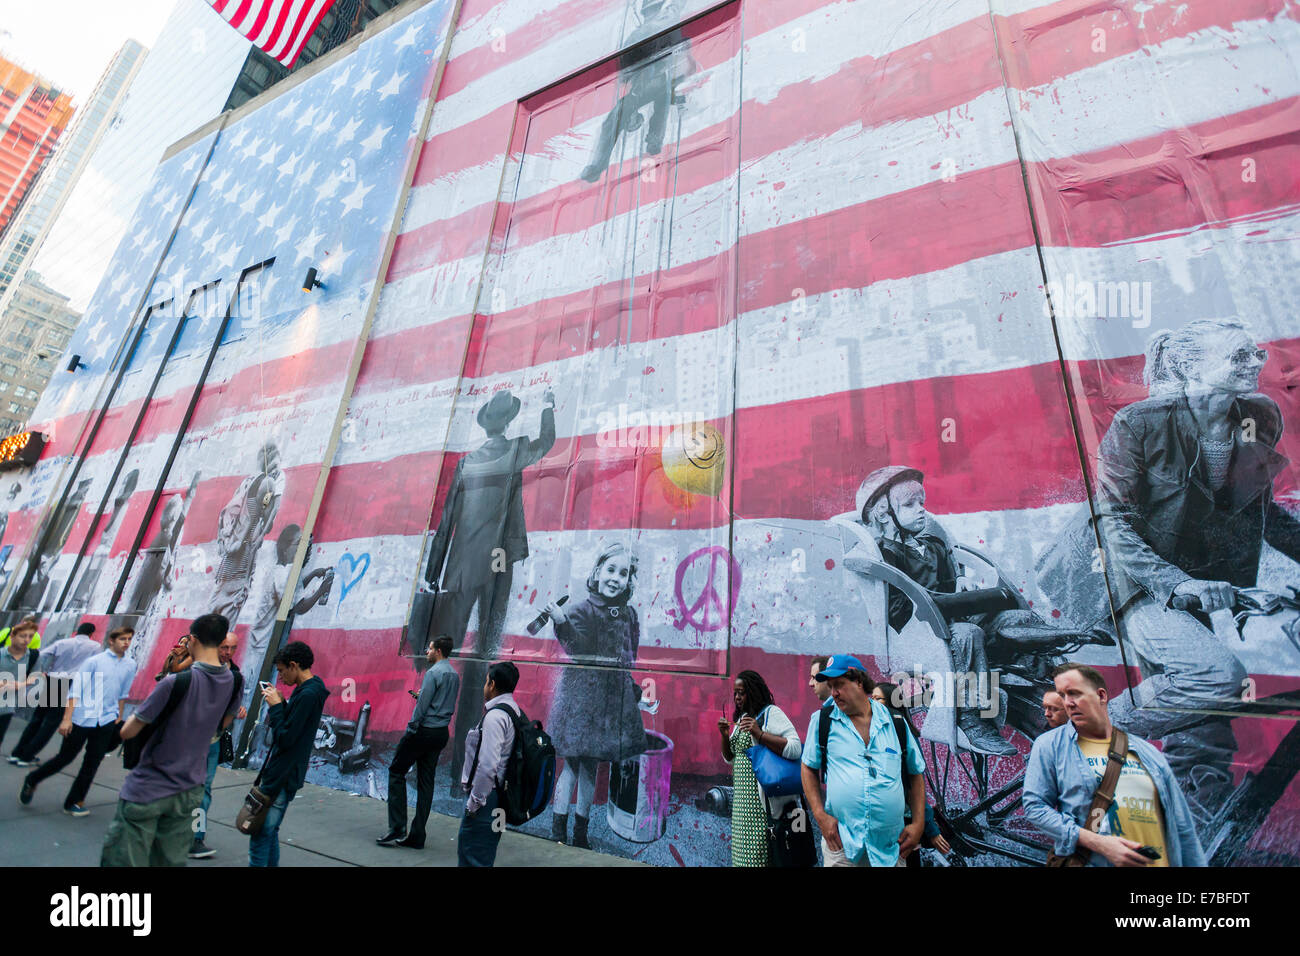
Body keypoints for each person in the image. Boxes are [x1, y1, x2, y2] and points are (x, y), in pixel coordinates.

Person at [1038, 318, 1300, 827]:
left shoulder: (1259, 417)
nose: (1255, 364)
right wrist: (1177, 585)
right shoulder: (1140, 423)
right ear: (1188, 366)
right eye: (1238, 356)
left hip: (1198, 581)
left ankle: (1199, 829)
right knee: (1214, 676)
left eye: (1257, 355)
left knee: (1206, 728)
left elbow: (1261, 511)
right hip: (1128, 576)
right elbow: (1113, 525)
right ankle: (1076, 735)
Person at [426, 389, 554, 786]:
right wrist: (548, 405)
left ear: (486, 423)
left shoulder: (465, 464)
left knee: (450, 658)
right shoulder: (515, 450)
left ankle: (439, 759)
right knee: (485, 660)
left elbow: (445, 521)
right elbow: (547, 443)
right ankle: (461, 768)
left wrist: (434, 570)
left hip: (460, 569)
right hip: (496, 566)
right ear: (508, 421)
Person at [1023, 663, 1205, 866]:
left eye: (1075, 694)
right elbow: (1035, 807)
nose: (1069, 703)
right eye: (1063, 696)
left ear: (1101, 696)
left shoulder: (1147, 752)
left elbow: (1183, 829)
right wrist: (1099, 843)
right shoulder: (1051, 745)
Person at [100, 614, 240, 867]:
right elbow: (225, 719)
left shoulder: (176, 681)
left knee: (123, 859)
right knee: (169, 860)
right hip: (190, 788)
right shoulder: (231, 680)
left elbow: (129, 731)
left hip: (151, 784)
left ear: (193, 640)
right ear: (220, 642)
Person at [545, 542, 646, 848]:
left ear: (629, 580)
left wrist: (630, 686)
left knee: (591, 767)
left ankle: (580, 832)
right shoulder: (581, 609)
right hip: (581, 702)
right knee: (573, 766)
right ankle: (558, 831)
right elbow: (578, 651)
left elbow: (630, 654)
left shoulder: (629, 614)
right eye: (611, 570)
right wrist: (561, 623)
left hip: (609, 702)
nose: (616, 578)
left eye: (623, 573)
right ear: (598, 572)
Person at [801, 655, 926, 867]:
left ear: (859, 682)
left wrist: (918, 824)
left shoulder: (894, 722)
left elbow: (915, 774)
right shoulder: (822, 721)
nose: (834, 693)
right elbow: (808, 768)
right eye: (830, 686)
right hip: (842, 847)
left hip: (889, 849)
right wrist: (820, 815)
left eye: (839, 684)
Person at [20, 627, 136, 816]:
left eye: (129, 639)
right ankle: (33, 779)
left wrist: (119, 716)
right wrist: (66, 719)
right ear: (111, 641)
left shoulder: (130, 665)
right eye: (122, 638)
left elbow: (123, 693)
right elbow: (75, 692)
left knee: (93, 762)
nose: (126, 642)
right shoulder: (94, 662)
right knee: (65, 757)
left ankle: (74, 802)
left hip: (107, 719)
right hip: (82, 717)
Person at [579, 0, 697, 181]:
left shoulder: (638, 34)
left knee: (652, 97)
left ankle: (598, 165)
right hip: (655, 80)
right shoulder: (664, 20)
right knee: (660, 94)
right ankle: (654, 138)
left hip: (652, 79)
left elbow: (624, 73)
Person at [249, 640, 329, 867]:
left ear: (294, 665)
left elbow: (285, 738)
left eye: (282, 671)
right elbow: (295, 727)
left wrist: (275, 707)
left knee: (261, 832)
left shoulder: (307, 695)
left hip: (283, 774)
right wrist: (283, 704)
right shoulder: (311, 689)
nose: (281, 678)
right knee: (269, 830)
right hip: (287, 771)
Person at [378, 635, 459, 850]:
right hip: (441, 732)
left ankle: (397, 827)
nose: (427, 652)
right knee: (426, 782)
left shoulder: (433, 673)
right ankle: (417, 834)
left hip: (423, 731)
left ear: (439, 651)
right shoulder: (453, 674)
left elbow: (421, 709)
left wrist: (411, 728)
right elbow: (441, 700)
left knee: (396, 771)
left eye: (430, 649)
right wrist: (425, 698)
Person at [717, 669, 802, 867]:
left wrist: (759, 733)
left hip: (759, 809)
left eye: (742, 692)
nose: (737, 697)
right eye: (735, 693)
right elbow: (731, 759)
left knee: (758, 860)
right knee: (742, 860)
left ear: (753, 691)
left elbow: (795, 748)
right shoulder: (742, 719)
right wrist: (724, 735)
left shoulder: (771, 713)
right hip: (741, 808)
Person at [872, 682, 951, 865]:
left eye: (877, 699)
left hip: (904, 826)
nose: (872, 703)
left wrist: (930, 829)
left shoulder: (902, 735)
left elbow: (915, 788)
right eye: (871, 699)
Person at [211, 442, 283, 628]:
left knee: (218, 598)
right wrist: (261, 535)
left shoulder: (246, 482)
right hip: (244, 551)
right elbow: (268, 517)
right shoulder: (268, 483)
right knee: (232, 607)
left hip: (230, 550)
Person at [457, 661, 521, 867]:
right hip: (501, 799)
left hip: (488, 798)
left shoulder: (495, 717)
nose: (485, 686)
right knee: (487, 850)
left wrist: (474, 803)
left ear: (492, 684)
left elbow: (487, 766)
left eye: (486, 681)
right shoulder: (514, 711)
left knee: (472, 854)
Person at [10, 622, 101, 766]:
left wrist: (43, 669)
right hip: (70, 683)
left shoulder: (62, 642)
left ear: (77, 631)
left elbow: (43, 654)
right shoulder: (95, 647)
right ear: (91, 634)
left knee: (37, 718)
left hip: (53, 679)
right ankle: (27, 756)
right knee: (50, 723)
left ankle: (17, 753)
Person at [190, 631, 246, 859]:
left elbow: (232, 708)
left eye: (233, 648)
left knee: (204, 790)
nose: (228, 653)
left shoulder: (235, 676)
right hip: (186, 739)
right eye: (224, 647)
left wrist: (224, 723)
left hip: (210, 742)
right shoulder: (197, 668)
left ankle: (196, 837)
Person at [0, 621, 39, 750]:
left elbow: (34, 676)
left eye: (30, 636)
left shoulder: (33, 656)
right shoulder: (1, 654)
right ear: (12, 636)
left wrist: (21, 684)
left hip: (7, 708)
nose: (27, 640)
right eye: (23, 636)